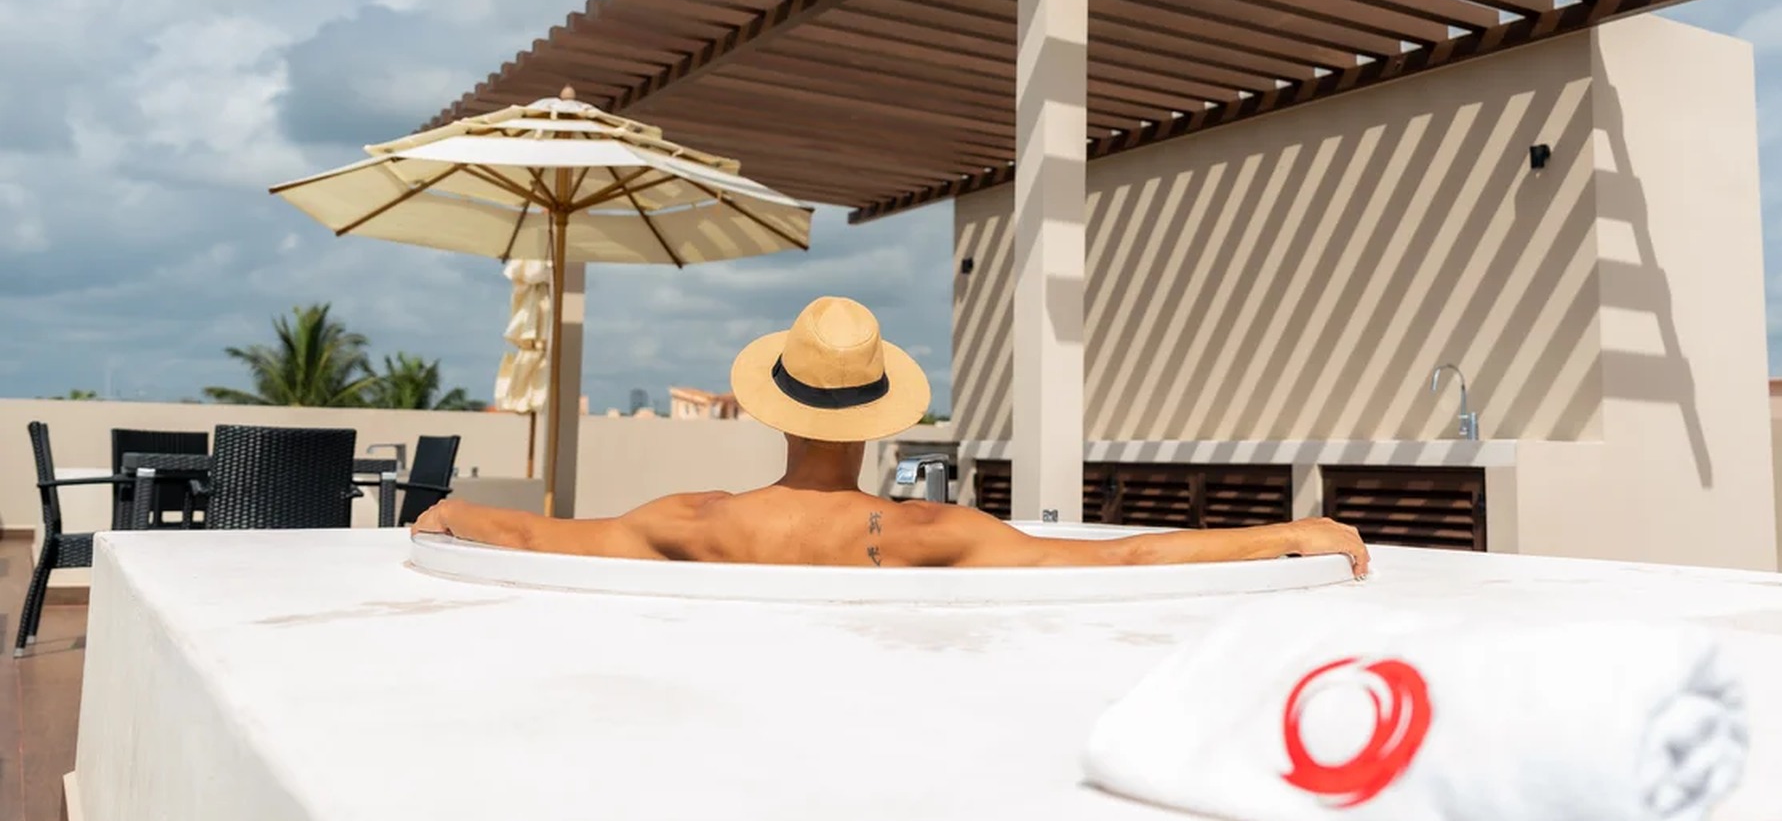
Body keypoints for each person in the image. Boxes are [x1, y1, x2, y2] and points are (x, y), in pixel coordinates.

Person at [412, 296, 1369, 577]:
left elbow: (545, 535)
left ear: (775, 407)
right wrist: (1285, 536)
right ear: (879, 419)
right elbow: (1116, 560)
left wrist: (455, 510)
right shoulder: (926, 537)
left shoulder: (693, 522)